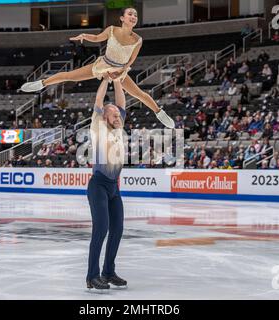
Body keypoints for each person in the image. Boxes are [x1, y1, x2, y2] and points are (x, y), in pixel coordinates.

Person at [19, 7, 174, 129]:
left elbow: (131, 60)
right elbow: (98, 38)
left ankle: (160, 113)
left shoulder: (138, 40)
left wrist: (121, 70)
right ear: (122, 18)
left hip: (119, 70)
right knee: (70, 75)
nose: (133, 17)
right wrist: (85, 35)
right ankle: (41, 83)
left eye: (135, 15)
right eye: (130, 14)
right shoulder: (112, 30)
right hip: (103, 64)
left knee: (140, 94)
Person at [86, 77, 128, 291]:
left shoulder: (119, 127)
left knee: (117, 229)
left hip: (114, 187)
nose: (118, 115)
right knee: (101, 229)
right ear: (104, 116)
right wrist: (105, 79)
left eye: (118, 114)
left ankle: (108, 271)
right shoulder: (98, 127)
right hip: (98, 186)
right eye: (113, 113)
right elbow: (99, 100)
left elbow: (121, 102)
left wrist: (118, 79)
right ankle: (92, 276)